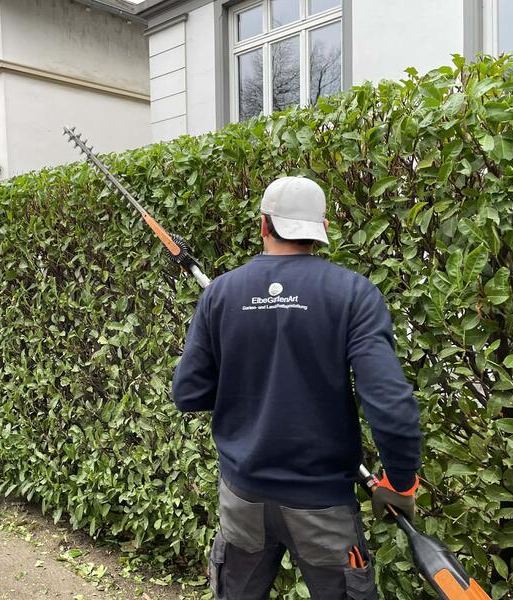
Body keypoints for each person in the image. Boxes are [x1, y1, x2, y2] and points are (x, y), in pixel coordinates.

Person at [171, 176, 422, 599]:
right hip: (322, 504)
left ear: (264, 225)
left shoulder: (221, 295)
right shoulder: (353, 293)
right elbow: (390, 404)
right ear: (320, 227)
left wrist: (244, 380)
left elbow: (188, 393)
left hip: (243, 499)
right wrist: (400, 484)